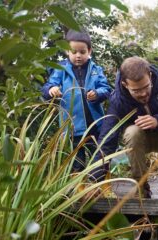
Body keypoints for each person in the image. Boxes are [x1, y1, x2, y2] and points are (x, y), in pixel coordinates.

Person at [91, 57, 158, 199]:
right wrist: (94, 179)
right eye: (136, 90)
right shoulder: (118, 100)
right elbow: (108, 137)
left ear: (150, 76)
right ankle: (141, 183)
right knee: (132, 131)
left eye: (146, 87)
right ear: (125, 84)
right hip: (138, 141)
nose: (143, 93)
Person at [41, 30, 111, 173]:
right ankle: (78, 188)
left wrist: (97, 93)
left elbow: (106, 89)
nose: (78, 55)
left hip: (95, 125)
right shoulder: (60, 70)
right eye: (74, 52)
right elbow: (47, 86)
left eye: (82, 52)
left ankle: (101, 186)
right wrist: (51, 89)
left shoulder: (96, 70)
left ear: (89, 51)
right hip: (72, 125)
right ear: (67, 51)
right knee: (76, 161)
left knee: (98, 157)